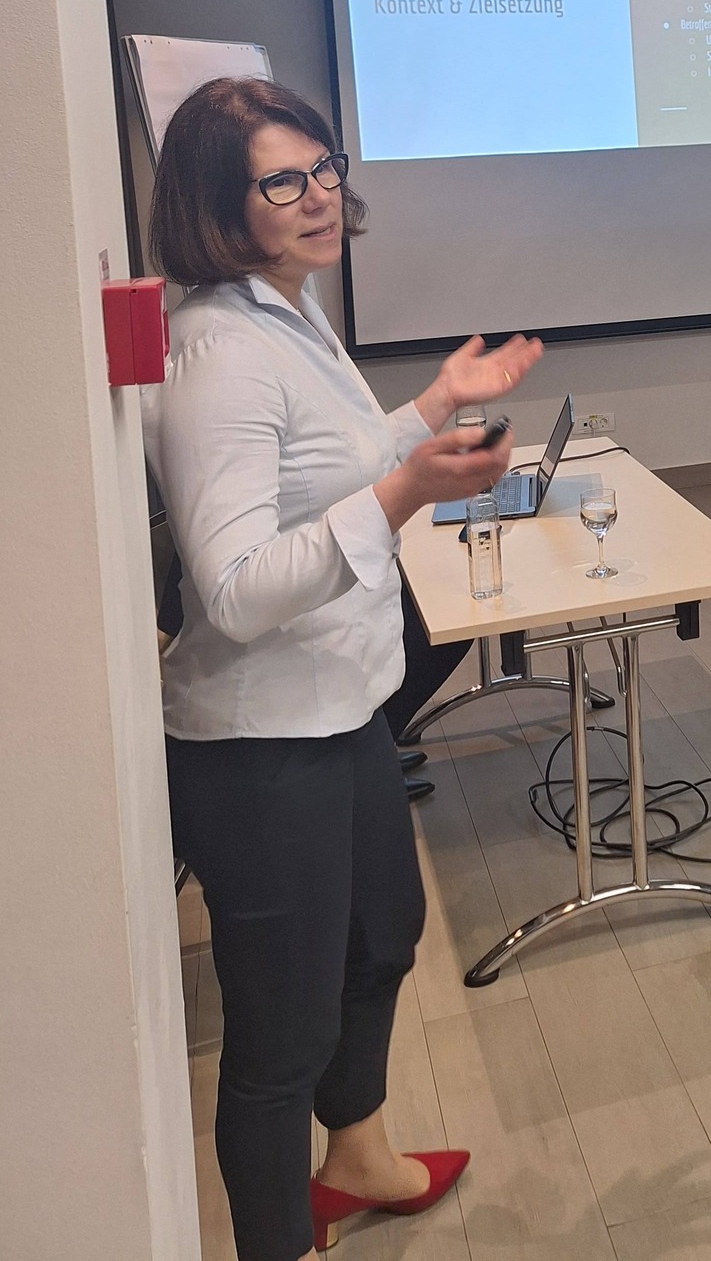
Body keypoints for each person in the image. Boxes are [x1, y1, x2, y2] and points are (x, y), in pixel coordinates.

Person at [143, 76, 541, 1261]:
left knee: (382, 936)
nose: (320, 196)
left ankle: (357, 1156)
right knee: (280, 1038)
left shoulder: (289, 305)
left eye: (325, 167)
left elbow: (330, 462)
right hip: (260, 745)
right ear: (217, 203)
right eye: (283, 180)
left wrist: (433, 407)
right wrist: (407, 489)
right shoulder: (219, 353)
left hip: (343, 706)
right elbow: (232, 587)